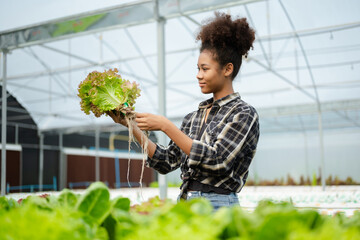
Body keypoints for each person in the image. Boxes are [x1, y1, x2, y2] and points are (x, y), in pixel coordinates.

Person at [108, 12, 259, 210]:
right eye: (197, 68)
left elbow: (218, 160)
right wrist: (131, 126)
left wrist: (166, 126)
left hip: (219, 205)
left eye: (205, 69)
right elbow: (165, 161)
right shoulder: (193, 118)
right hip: (186, 202)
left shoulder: (243, 113)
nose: (198, 75)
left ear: (227, 69)